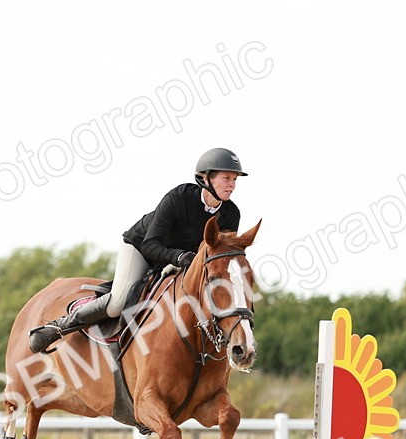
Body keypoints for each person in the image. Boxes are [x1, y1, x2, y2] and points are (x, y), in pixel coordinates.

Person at [28, 148, 246, 353]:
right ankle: (59, 327)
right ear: (205, 178)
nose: (232, 185)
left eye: (234, 180)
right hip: (142, 248)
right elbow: (150, 245)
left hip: (183, 263)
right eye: (226, 178)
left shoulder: (231, 214)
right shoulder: (179, 198)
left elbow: (219, 257)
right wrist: (178, 257)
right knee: (118, 303)